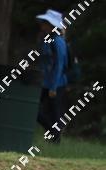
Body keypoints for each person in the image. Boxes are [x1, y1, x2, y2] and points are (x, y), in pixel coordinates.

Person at [36, 9, 68, 143]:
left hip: (56, 84)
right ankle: (53, 133)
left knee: (54, 112)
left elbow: (59, 65)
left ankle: (55, 138)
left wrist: (53, 87)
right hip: (45, 82)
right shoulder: (46, 40)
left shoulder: (58, 42)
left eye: (45, 23)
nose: (42, 25)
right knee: (36, 109)